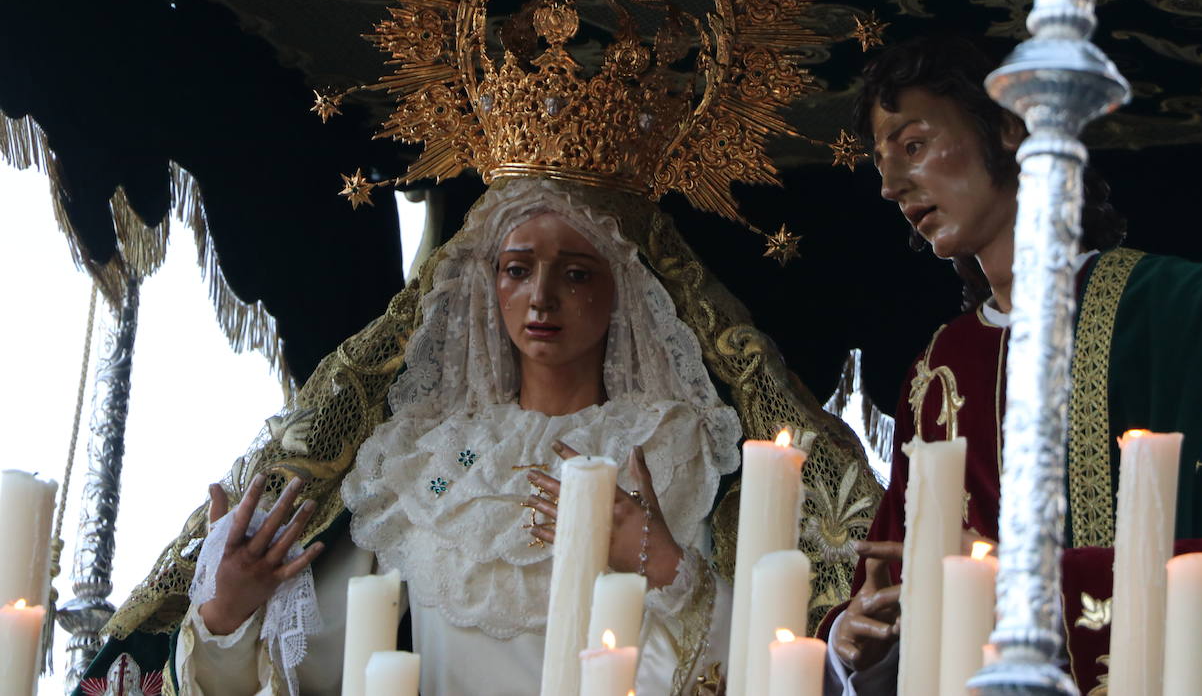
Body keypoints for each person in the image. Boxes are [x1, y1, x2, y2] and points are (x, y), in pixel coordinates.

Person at [77, 176, 872, 696]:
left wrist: (660, 562)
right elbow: (315, 669)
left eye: (577, 271)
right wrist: (229, 618)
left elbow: (772, 662)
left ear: (627, 291)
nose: (542, 296)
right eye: (516, 267)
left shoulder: (680, 451)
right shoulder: (418, 462)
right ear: (483, 285)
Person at [824, 35, 1202, 695]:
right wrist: (851, 638)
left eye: (914, 145)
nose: (889, 186)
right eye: (880, 163)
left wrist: (1046, 594)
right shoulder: (936, 371)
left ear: (1008, 127)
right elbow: (893, 591)